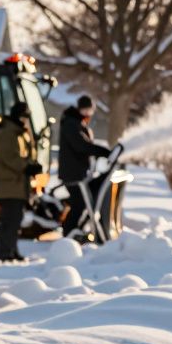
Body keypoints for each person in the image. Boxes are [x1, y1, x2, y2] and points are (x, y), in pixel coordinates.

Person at [59, 95, 112, 238]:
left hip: (79, 173)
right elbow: (81, 146)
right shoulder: (71, 123)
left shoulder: (77, 123)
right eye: (86, 110)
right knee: (79, 204)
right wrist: (102, 152)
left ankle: (74, 232)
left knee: (82, 204)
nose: (88, 114)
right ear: (80, 109)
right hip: (73, 174)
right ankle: (69, 234)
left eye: (90, 111)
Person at [0, 101, 41, 261]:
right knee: (9, 221)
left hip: (17, 186)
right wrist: (27, 167)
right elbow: (10, 158)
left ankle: (11, 250)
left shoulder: (20, 133)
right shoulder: (8, 134)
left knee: (15, 221)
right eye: (24, 117)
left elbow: (25, 156)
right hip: (10, 186)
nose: (26, 120)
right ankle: (5, 253)